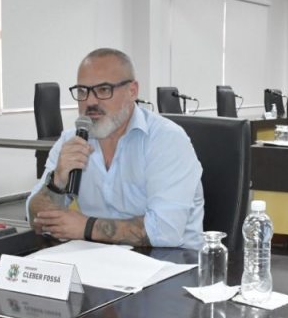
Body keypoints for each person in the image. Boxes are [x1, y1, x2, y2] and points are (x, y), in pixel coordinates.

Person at [27, 48, 204, 248]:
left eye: (103, 90)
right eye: (82, 91)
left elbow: (165, 231)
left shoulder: (166, 139)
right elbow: (36, 218)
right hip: (97, 257)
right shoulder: (71, 140)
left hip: (170, 259)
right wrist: (56, 181)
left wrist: (86, 227)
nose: (90, 101)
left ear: (132, 91)